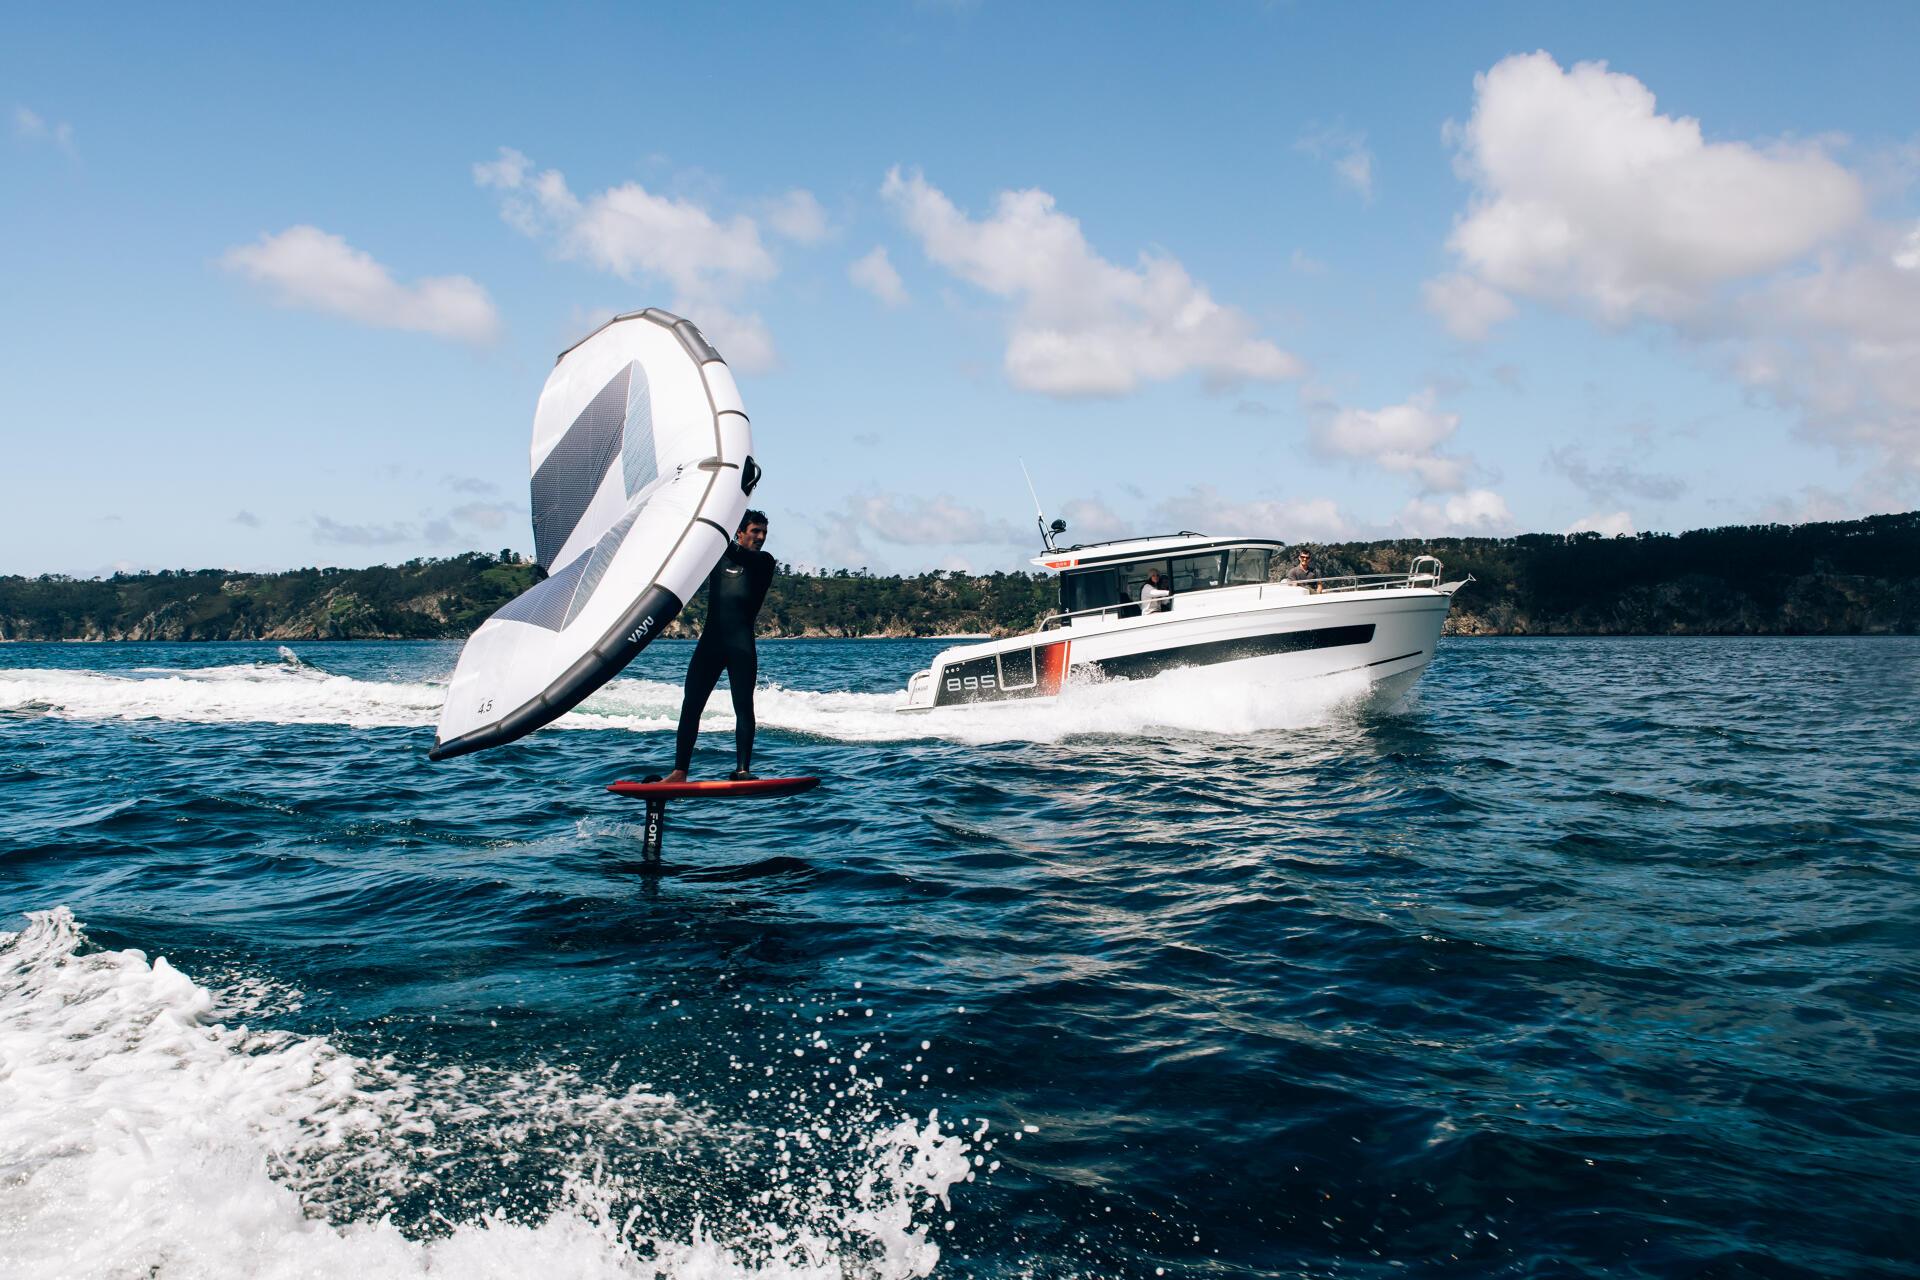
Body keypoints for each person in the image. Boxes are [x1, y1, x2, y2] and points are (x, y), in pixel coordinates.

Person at [665, 510, 774, 782]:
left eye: (763, 532)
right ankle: (679, 772)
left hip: (741, 645)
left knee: (743, 707)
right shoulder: (718, 555)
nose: (760, 537)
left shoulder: (764, 561)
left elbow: (736, 553)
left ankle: (743, 771)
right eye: (755, 531)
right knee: (691, 706)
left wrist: (717, 531)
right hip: (710, 644)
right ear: (739, 531)